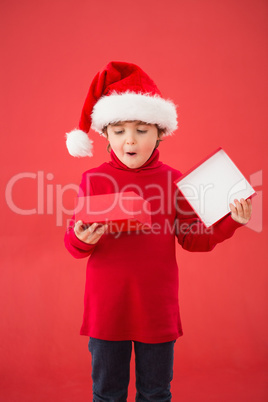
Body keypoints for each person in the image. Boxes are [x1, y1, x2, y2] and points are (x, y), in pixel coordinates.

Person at [64, 61, 252, 402]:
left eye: (141, 130)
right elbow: (73, 242)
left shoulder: (173, 180)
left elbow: (194, 238)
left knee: (155, 393)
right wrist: (81, 238)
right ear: (105, 135)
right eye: (119, 131)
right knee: (107, 394)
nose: (130, 140)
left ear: (160, 132)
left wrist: (231, 221)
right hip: (107, 307)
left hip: (156, 308)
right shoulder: (93, 180)